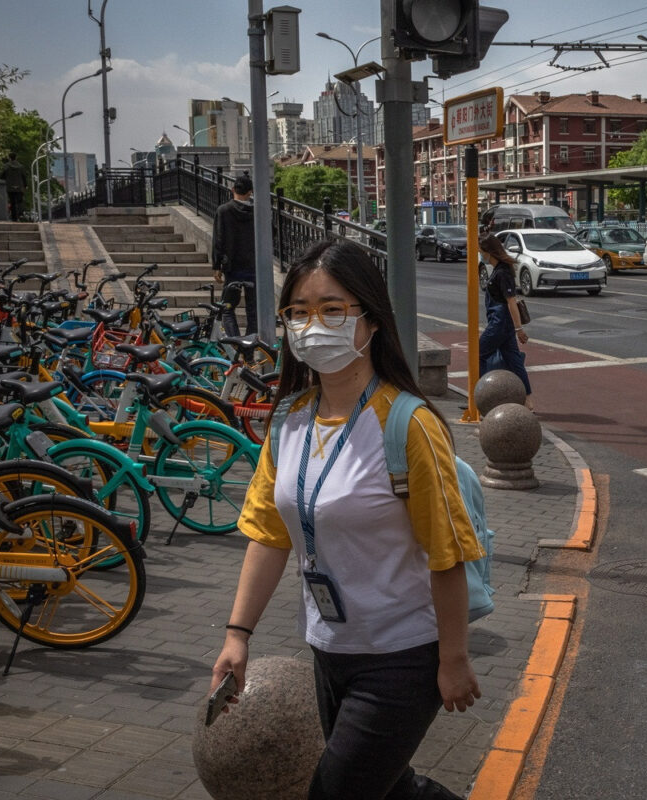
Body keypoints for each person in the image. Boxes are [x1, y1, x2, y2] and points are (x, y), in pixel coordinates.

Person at [210, 238, 484, 800]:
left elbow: (447, 553)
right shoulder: (290, 419)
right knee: (391, 791)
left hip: (403, 655)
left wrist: (453, 658)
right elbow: (269, 536)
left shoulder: (408, 425)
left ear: (371, 320)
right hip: (329, 647)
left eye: (332, 309)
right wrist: (237, 637)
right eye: (298, 312)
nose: (313, 326)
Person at [478, 235, 534, 410]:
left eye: (481, 252)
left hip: (499, 324)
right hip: (502, 324)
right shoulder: (499, 270)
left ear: (489, 252)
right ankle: (527, 400)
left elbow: (511, 301)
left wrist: (519, 329)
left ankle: (482, 396)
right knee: (514, 362)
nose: (480, 255)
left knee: (477, 354)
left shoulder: (502, 272)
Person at [212, 173, 257, 336]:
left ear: (233, 190)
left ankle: (235, 342)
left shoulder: (224, 211)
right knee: (254, 310)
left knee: (227, 308)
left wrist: (217, 265)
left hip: (232, 267)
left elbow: (218, 239)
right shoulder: (258, 212)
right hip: (254, 266)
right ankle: (251, 343)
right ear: (250, 192)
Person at [1, 153, 27, 223]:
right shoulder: (21, 166)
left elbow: (2, 175)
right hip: (19, 187)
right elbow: (24, 176)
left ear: (9, 158)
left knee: (12, 202)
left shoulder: (6, 166)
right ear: (16, 157)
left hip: (10, 186)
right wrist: (25, 185)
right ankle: (20, 216)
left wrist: (6, 179)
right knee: (19, 202)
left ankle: (14, 218)